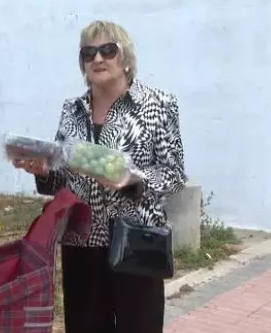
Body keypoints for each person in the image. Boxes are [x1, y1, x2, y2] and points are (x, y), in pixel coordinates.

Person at [12, 20, 186, 333]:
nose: (97, 59)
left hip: (137, 241)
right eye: (88, 53)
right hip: (81, 240)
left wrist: (133, 180)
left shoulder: (158, 104)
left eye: (108, 50)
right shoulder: (72, 109)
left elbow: (173, 174)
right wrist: (44, 171)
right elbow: (63, 174)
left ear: (126, 58)